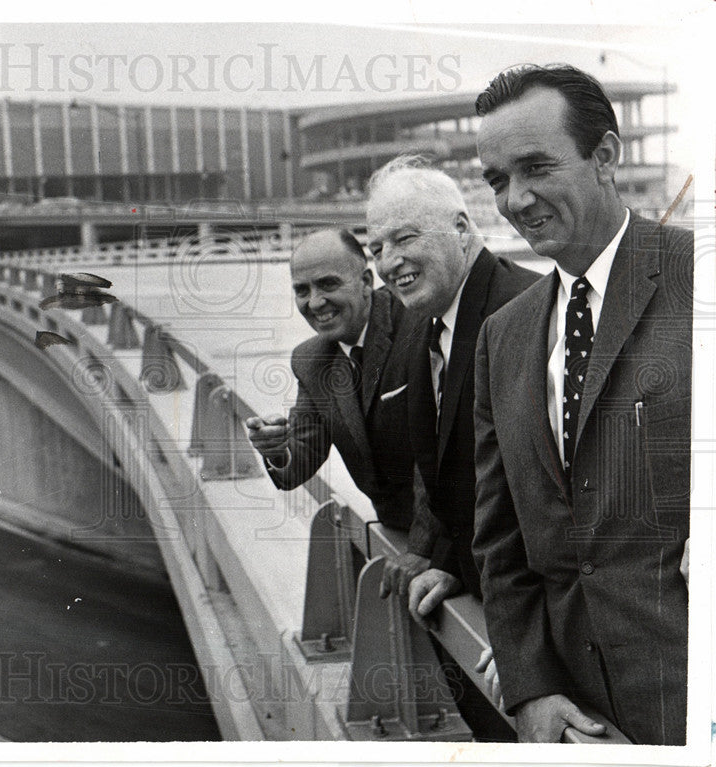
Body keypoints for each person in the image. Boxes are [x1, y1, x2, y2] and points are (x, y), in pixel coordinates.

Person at [472, 63, 693, 745]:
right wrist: (529, 683)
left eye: (536, 167)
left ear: (605, 156)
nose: (516, 199)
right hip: (578, 721)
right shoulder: (503, 336)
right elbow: (501, 540)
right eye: (498, 180)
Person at [367, 156, 538, 741]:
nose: (389, 262)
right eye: (376, 248)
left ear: (463, 229)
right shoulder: (423, 325)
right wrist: (444, 560)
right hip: (477, 601)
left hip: (539, 635)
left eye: (405, 237)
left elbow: (565, 504)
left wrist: (532, 639)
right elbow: (448, 470)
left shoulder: (529, 311)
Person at [245, 228, 418, 531]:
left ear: (366, 281)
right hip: (398, 531)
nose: (314, 303)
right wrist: (276, 449)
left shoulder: (417, 323)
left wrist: (425, 549)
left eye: (328, 284)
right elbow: (302, 458)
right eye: (302, 290)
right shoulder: (312, 360)